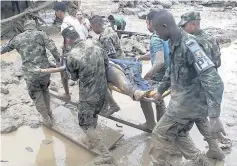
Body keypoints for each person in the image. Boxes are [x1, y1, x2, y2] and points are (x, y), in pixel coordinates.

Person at [149, 10, 226, 165]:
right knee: (180, 133)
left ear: (165, 26)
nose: (156, 34)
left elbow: (214, 81)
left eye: (157, 30)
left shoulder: (190, 45)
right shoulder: (172, 42)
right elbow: (172, 70)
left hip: (187, 104)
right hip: (182, 99)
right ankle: (201, 162)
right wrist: (160, 91)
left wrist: (214, 116)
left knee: (159, 134)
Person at [90, 15, 157, 130]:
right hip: (124, 62)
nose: (92, 30)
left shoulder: (105, 37)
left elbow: (110, 57)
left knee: (98, 78)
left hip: (118, 65)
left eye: (92, 27)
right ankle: (108, 105)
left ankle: (111, 105)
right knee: (139, 86)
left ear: (96, 25)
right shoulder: (110, 29)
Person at [62, 26, 115, 165]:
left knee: (84, 123)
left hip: (88, 94)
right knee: (94, 115)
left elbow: (73, 78)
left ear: (68, 40)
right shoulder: (95, 43)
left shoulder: (72, 55)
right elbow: (106, 63)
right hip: (103, 91)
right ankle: (92, 140)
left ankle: (105, 154)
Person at [177, 11, 225, 160]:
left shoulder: (193, 43)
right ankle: (215, 150)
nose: (182, 30)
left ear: (193, 24)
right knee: (200, 118)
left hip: (195, 89)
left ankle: (199, 160)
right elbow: (217, 63)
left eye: (184, 26)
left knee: (179, 127)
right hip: (208, 87)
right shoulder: (211, 38)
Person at [1, 20, 61, 128]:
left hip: (31, 74)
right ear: (35, 26)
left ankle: (46, 118)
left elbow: (5, 49)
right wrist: (58, 60)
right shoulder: (41, 34)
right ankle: (49, 112)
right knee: (45, 90)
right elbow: (52, 47)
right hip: (44, 72)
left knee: (36, 95)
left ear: (25, 28)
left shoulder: (18, 38)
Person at [137, 10, 169, 122]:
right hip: (172, 74)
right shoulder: (166, 33)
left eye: (146, 23)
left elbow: (160, 62)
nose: (147, 25)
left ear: (151, 22)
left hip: (162, 76)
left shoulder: (156, 38)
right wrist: (140, 57)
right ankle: (161, 123)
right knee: (159, 99)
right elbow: (156, 53)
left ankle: (150, 124)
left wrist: (148, 75)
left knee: (142, 95)